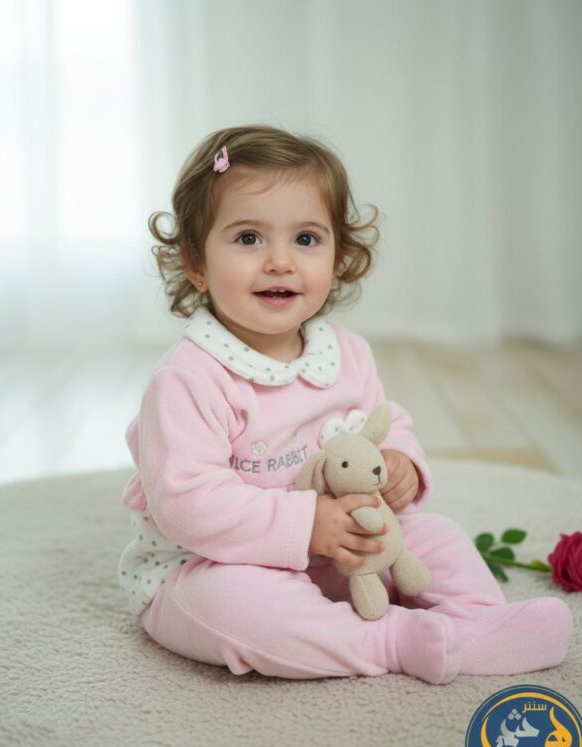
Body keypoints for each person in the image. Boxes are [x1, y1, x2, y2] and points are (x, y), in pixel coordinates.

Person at [117, 124, 572, 684]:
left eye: (306, 239)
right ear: (196, 263)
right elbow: (188, 504)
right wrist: (308, 524)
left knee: (439, 537)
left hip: (340, 554)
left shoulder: (346, 354)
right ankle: (389, 642)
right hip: (209, 564)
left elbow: (381, 425)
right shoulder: (189, 378)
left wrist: (401, 463)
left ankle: (479, 623)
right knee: (237, 606)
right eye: (249, 238)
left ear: (337, 258)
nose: (280, 261)